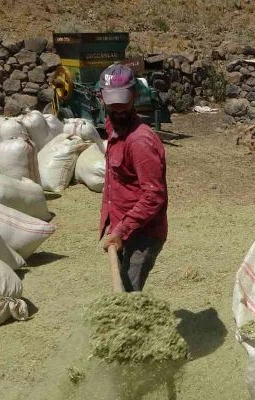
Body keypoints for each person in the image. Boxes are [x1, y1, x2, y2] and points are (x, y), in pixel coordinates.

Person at [98, 63, 168, 292]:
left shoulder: (140, 141)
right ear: (101, 97)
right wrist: (113, 226)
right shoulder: (114, 128)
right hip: (121, 228)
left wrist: (121, 230)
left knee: (128, 297)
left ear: (135, 96)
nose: (118, 109)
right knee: (123, 292)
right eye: (112, 104)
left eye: (123, 102)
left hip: (142, 234)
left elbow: (154, 195)